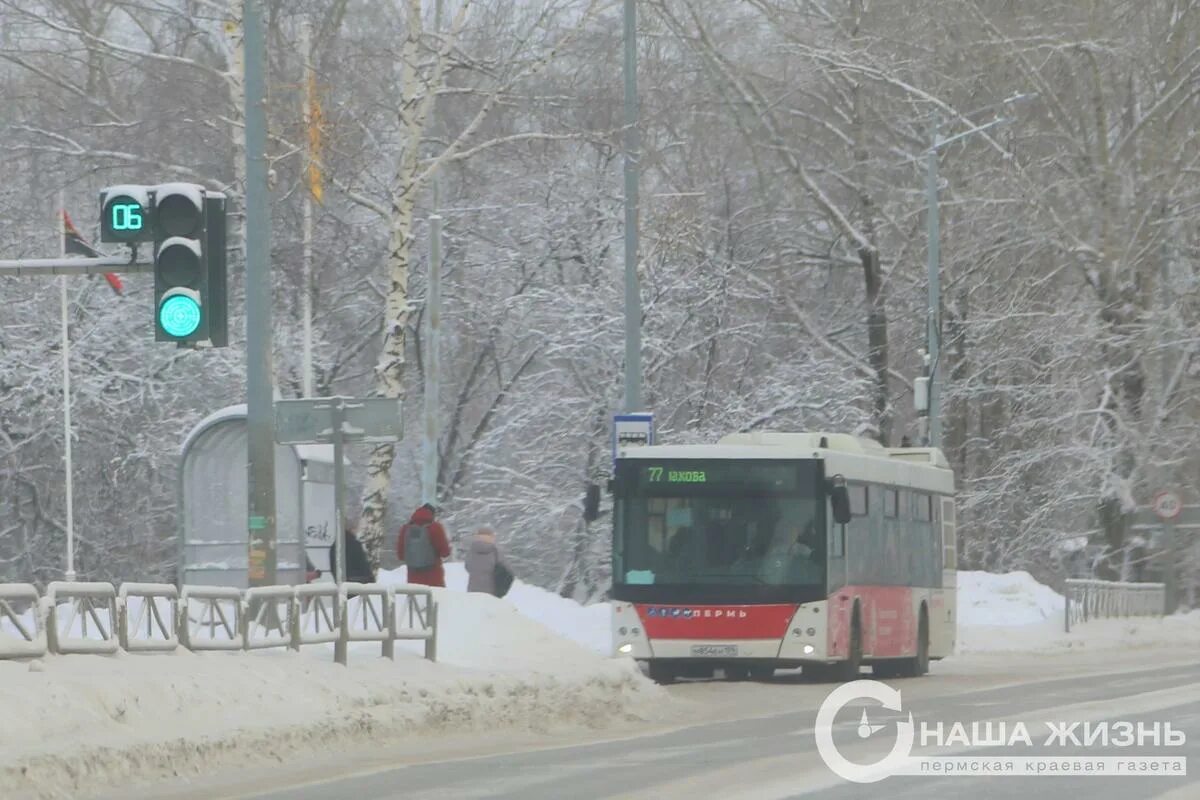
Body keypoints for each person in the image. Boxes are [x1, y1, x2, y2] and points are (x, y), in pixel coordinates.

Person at [396, 503, 451, 587]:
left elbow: (401, 555)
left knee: (415, 599)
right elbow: (445, 552)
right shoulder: (435, 527)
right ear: (432, 515)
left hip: (413, 579)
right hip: (433, 578)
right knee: (435, 599)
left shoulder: (405, 529)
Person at [464, 526, 512, 596]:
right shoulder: (496, 551)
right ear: (491, 537)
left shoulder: (471, 550)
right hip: (491, 591)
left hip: (473, 590)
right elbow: (506, 569)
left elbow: (467, 566)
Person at [328, 519, 376, 584]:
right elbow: (365, 569)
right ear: (353, 528)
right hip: (357, 587)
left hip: (341, 586)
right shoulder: (355, 545)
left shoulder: (334, 546)